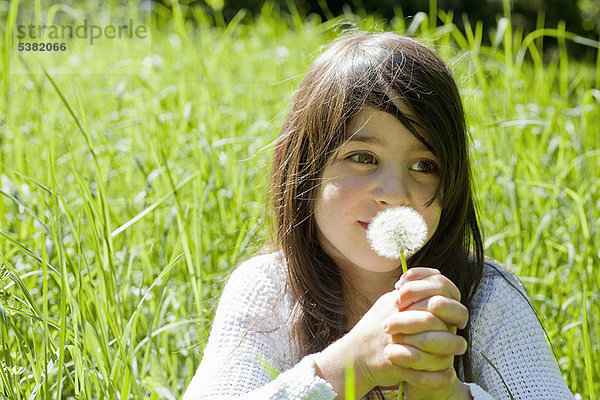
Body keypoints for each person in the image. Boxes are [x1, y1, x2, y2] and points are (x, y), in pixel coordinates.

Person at [183, 31, 573, 399]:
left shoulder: (485, 295)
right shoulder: (267, 292)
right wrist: (346, 368)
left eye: (424, 165)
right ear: (304, 170)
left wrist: (449, 394)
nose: (395, 193)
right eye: (363, 158)